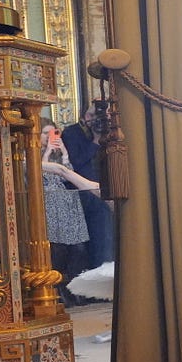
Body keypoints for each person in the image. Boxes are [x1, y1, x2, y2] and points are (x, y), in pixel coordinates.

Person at [40, 119, 100, 302]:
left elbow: (68, 175)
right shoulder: (29, 154)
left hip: (66, 205)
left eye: (53, 133)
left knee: (78, 249)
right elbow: (38, 176)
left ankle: (78, 290)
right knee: (57, 251)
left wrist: (64, 154)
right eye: (45, 133)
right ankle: (57, 290)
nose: (49, 137)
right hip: (48, 206)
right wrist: (46, 154)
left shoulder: (57, 154)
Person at [61, 105, 115, 272]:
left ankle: (105, 270)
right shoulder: (72, 133)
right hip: (79, 195)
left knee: (104, 237)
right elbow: (76, 162)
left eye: (100, 116)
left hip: (102, 192)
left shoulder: (111, 132)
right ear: (84, 116)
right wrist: (95, 141)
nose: (95, 120)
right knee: (80, 248)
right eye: (92, 115)